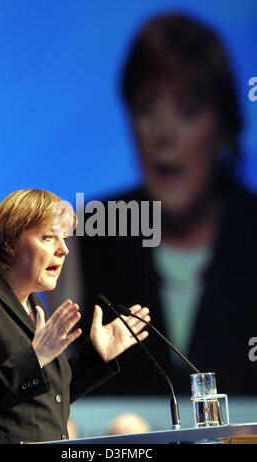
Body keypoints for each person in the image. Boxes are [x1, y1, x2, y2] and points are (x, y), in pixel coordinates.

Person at [45, 12, 257, 397]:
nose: (163, 133)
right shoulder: (83, 235)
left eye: (188, 110)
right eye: (146, 108)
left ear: (225, 126)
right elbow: (53, 396)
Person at [0, 189, 150, 444]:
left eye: (65, 239)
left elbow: (44, 401)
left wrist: (96, 356)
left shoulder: (34, 306)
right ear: (10, 241)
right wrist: (34, 359)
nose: (63, 250)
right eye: (48, 237)